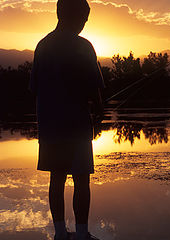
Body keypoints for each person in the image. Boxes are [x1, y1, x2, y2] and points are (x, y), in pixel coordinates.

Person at [30, 0, 104, 239]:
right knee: (82, 179)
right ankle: (82, 234)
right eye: (83, 19)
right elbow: (95, 88)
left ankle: (61, 234)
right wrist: (99, 110)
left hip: (50, 126)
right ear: (72, 16)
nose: (84, 25)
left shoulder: (42, 46)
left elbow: (34, 88)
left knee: (57, 178)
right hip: (77, 125)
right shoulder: (83, 46)